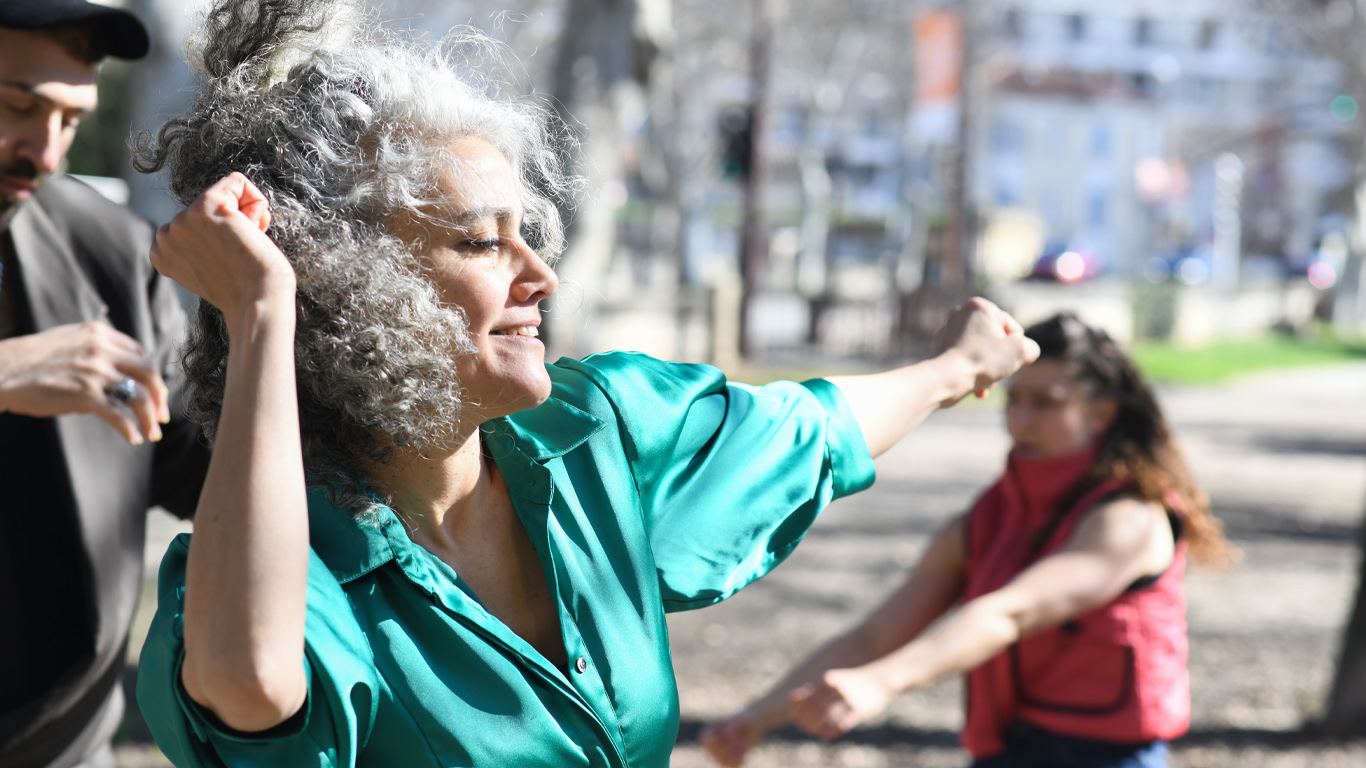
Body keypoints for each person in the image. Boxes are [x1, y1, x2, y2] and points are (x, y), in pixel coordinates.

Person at [131, 1, 1037, 766]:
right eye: (483, 241)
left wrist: (954, 369)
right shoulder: (271, 565)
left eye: (531, 232)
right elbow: (252, 678)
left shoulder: (596, 434)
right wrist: (261, 314)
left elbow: (811, 429)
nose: (541, 275)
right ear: (343, 280)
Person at [701, 313, 1236, 768]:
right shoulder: (992, 515)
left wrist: (881, 684)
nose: (1021, 420)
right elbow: (873, 637)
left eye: (1047, 402)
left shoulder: (1130, 518)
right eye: (1014, 400)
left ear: (1102, 413)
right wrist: (758, 716)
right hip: (1005, 750)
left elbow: (1009, 613)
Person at [0, 3, 212, 768]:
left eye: (69, 119)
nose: (46, 152)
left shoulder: (112, 251)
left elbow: (202, 465)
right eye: (19, 107)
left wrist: (266, 313)